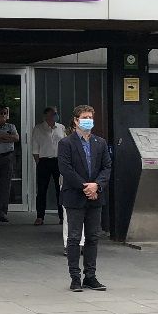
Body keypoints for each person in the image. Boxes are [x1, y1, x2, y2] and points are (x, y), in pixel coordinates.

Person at [58, 105, 112, 292]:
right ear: (76, 120)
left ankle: (91, 276)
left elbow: (107, 167)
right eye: (84, 117)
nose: (88, 120)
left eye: (90, 117)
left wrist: (97, 185)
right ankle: (75, 277)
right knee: (74, 238)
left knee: (93, 237)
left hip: (95, 196)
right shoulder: (66, 143)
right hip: (75, 196)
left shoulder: (100, 142)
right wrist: (86, 187)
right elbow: (66, 169)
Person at [30, 106, 66, 226]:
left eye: (56, 113)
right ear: (46, 115)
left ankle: (62, 216)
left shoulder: (61, 128)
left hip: (58, 161)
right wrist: (39, 163)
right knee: (42, 190)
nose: (55, 115)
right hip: (44, 161)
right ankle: (40, 216)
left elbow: (66, 145)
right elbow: (35, 149)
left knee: (60, 189)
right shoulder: (38, 128)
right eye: (53, 113)